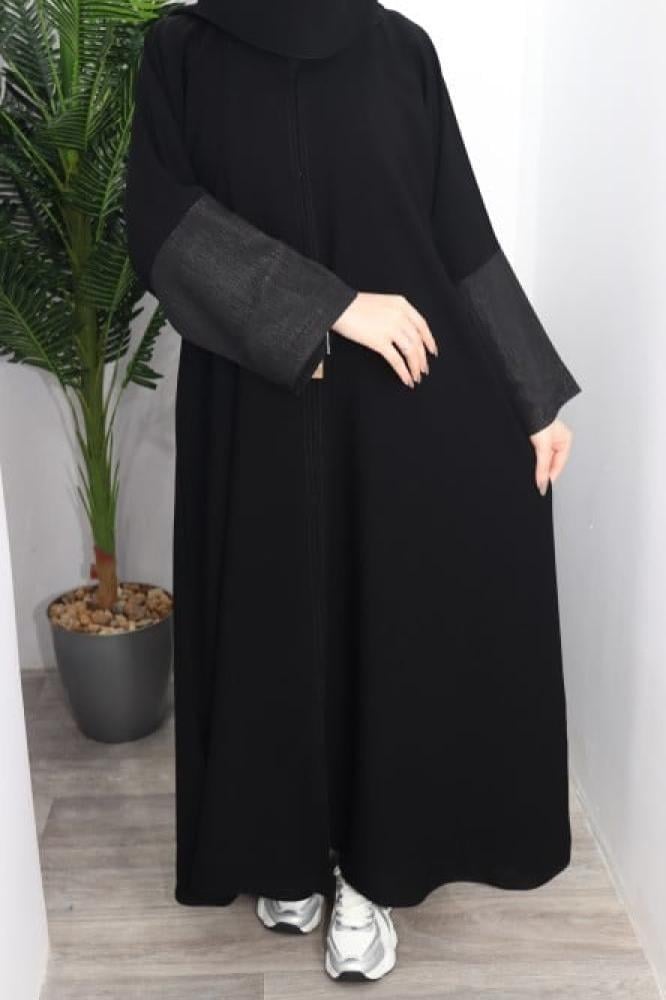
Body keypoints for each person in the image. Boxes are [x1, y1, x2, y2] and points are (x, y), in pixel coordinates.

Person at [125, 0, 582, 983]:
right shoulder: (183, 49)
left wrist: (531, 391)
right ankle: (283, 853)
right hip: (255, 398)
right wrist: (328, 307)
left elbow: (458, 234)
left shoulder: (399, 51)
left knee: (380, 632)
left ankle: (369, 873)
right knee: (269, 626)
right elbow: (161, 221)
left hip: (394, 407)